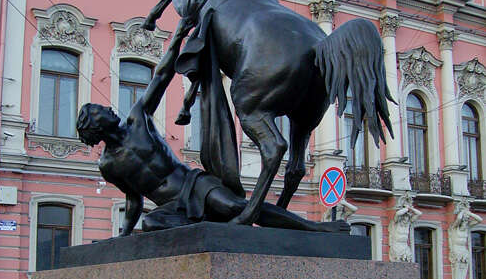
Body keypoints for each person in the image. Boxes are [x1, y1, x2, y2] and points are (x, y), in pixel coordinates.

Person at [77, 22, 348, 236]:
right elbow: (133, 200)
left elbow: (161, 76)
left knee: (234, 207)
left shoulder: (138, 120)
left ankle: (317, 228)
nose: (108, 109)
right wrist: (123, 235)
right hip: (171, 207)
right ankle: (209, 230)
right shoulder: (108, 165)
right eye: (99, 110)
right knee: (150, 225)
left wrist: (179, 37)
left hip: (193, 184)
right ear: (94, 125)